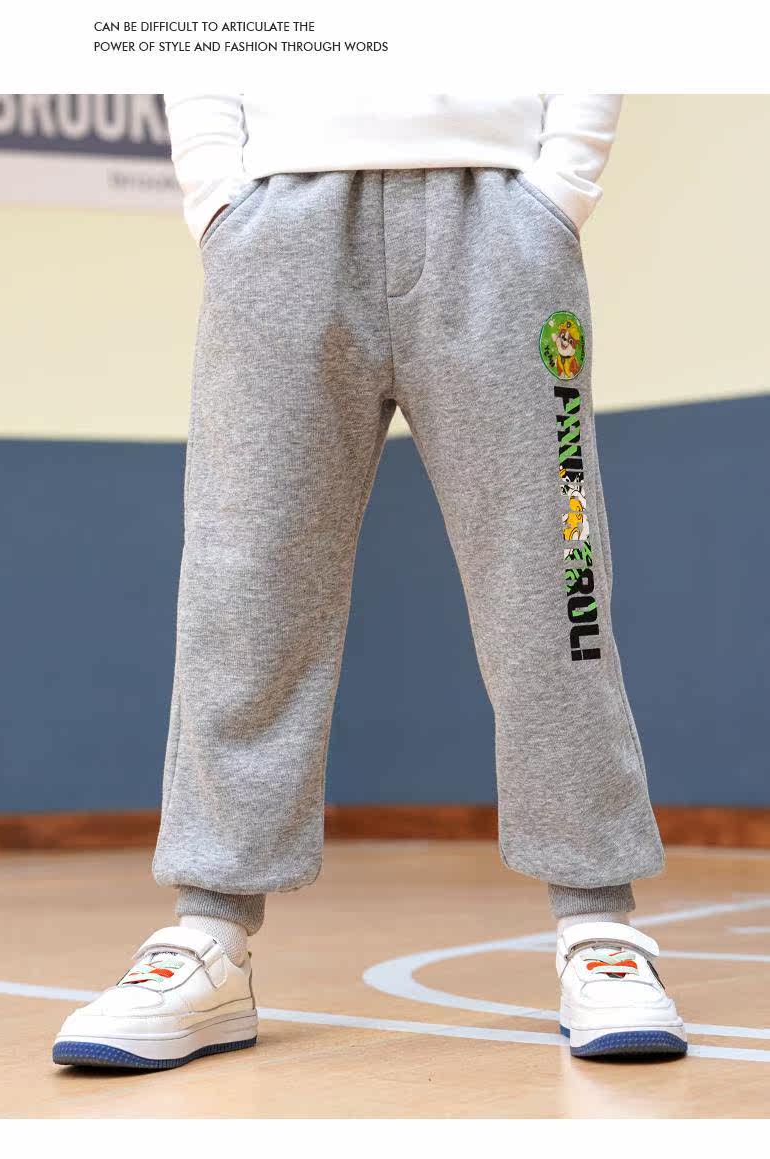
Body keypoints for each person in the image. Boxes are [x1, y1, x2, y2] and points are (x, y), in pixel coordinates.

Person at [53, 92, 687, 1069]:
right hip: (277, 220)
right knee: (244, 589)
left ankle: (599, 926)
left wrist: (559, 186)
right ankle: (208, 934)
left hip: (500, 219)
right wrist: (218, 196)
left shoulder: (524, 210)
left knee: (551, 582)